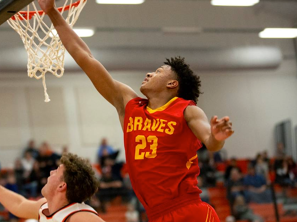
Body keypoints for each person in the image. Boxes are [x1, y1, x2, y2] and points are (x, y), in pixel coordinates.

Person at [38, 0, 234, 221]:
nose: (150, 74)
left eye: (159, 71)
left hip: (189, 210)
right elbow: (85, 57)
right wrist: (52, 12)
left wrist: (217, 137)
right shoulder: (129, 105)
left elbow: (210, 141)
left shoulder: (186, 110)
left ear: (172, 85)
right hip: (155, 215)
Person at [0, 153, 104, 222]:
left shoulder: (79, 216)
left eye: (56, 171)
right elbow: (18, 204)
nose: (51, 172)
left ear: (62, 185)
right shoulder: (46, 207)